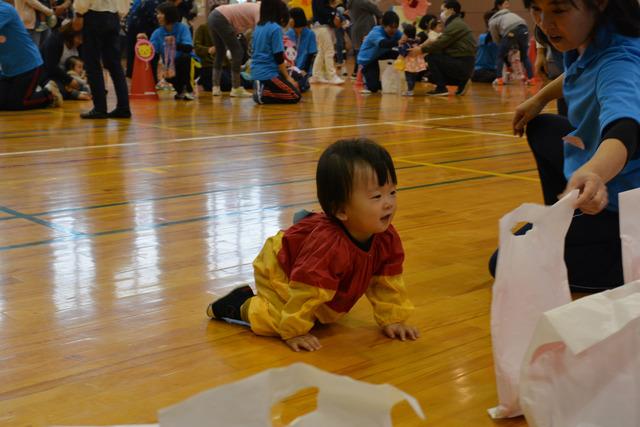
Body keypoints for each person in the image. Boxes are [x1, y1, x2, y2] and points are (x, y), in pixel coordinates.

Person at [207, 138, 418, 352]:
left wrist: (393, 318)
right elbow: (306, 291)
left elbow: (387, 282)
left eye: (392, 192)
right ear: (341, 210)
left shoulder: (386, 237)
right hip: (281, 266)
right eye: (376, 196)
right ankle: (241, 305)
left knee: (324, 312)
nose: (389, 202)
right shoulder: (329, 246)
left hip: (308, 268)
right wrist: (294, 330)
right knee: (277, 320)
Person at [489, 0, 640, 292]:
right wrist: (539, 99)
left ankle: (622, 265)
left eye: (558, 10)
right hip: (602, 171)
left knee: (506, 263)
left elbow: (624, 129)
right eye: (537, 10)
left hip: (623, 200)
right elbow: (577, 72)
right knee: (543, 128)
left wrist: (594, 171)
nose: (545, 23)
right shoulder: (591, 35)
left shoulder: (620, 62)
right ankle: (568, 220)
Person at [73, 0, 131, 119]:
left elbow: (82, 3)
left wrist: (79, 14)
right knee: (115, 65)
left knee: (93, 64)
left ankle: (99, 108)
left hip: (94, 16)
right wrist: (118, 14)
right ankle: (123, 107)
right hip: (113, 16)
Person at [0, 0, 62, 110]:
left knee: (17, 104)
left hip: (28, 66)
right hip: (9, 70)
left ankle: (50, 95)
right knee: (2, 104)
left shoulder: (4, 9)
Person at [410, 1, 476, 96]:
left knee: (432, 57)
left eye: (443, 10)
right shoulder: (456, 23)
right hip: (464, 62)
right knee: (431, 76)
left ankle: (441, 88)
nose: (441, 13)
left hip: (462, 63)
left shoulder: (456, 25)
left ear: (451, 10)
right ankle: (462, 83)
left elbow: (440, 43)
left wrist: (421, 50)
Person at [140, 2, 195, 100]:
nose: (157, 16)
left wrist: (172, 44)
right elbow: (152, 53)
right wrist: (144, 42)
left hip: (189, 63)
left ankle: (189, 90)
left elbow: (188, 48)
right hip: (169, 66)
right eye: (157, 14)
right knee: (169, 75)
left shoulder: (182, 28)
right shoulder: (157, 33)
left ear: (169, 15)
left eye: (160, 13)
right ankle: (180, 91)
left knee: (184, 59)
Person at [251, 0, 301, 104]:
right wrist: (288, 78)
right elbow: (278, 56)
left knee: (296, 79)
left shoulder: (258, 27)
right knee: (294, 95)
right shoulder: (275, 28)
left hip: (257, 71)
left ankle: (262, 89)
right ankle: (263, 94)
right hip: (268, 74)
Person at [207, 1, 259, 97]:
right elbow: (259, 33)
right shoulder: (259, 10)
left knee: (220, 52)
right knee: (238, 51)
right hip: (221, 17)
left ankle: (216, 87)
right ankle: (236, 88)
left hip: (213, 16)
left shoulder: (253, 8)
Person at [356, 11, 403, 94]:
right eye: (391, 27)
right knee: (373, 88)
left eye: (396, 27)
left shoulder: (396, 32)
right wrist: (399, 42)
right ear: (383, 25)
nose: (394, 30)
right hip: (368, 59)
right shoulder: (376, 32)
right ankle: (367, 79)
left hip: (380, 54)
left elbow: (404, 37)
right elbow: (383, 44)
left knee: (402, 54)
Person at [489, 0, 534, 85]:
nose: (508, 5)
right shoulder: (511, 14)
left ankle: (499, 79)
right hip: (524, 29)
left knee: (500, 56)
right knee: (524, 56)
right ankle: (531, 79)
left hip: (511, 31)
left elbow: (495, 38)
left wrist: (501, 46)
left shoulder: (492, 20)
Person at [39, 22, 85, 99]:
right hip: (48, 75)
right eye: (79, 38)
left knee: (89, 86)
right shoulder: (55, 41)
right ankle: (73, 94)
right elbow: (51, 67)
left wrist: (83, 76)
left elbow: (83, 64)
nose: (81, 42)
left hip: (68, 76)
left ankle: (75, 92)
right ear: (71, 34)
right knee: (58, 89)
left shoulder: (79, 45)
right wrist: (69, 80)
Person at [310, 0, 344, 84]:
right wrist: (334, 13)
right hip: (321, 27)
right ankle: (331, 76)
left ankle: (316, 75)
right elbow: (322, 10)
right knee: (329, 51)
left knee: (321, 52)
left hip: (321, 27)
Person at [285, 7, 317, 92]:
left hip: (303, 70)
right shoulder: (288, 33)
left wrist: (305, 70)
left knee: (302, 86)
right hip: (290, 68)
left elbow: (312, 54)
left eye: (290, 17)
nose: (289, 20)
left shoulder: (310, 34)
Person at [348, 0, 382, 79]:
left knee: (359, 51)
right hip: (364, 29)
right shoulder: (362, 2)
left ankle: (356, 72)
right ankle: (362, 74)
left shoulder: (351, 2)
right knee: (366, 52)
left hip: (356, 29)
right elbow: (376, 10)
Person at [398, 24, 426, 96]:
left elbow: (403, 53)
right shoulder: (416, 41)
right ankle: (411, 89)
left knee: (409, 77)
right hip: (416, 63)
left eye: (403, 33)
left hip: (410, 63)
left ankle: (409, 91)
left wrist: (400, 45)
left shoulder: (407, 44)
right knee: (413, 78)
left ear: (406, 35)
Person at [472, 10, 498, 83]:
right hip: (480, 71)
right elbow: (490, 36)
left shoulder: (499, 39)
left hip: (492, 70)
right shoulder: (483, 37)